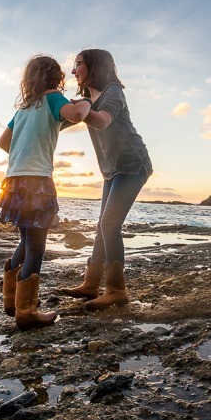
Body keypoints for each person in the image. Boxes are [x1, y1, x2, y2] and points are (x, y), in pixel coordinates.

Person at [0, 55, 91, 330]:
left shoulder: (24, 109)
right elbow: (76, 115)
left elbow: (4, 142)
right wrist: (86, 102)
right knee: (37, 248)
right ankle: (26, 312)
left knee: (25, 242)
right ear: (55, 77)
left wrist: (25, 149)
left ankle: (11, 301)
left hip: (15, 180)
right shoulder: (54, 99)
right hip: (37, 181)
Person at [59, 49, 153, 309]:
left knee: (110, 225)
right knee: (103, 224)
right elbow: (63, 122)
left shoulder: (113, 91)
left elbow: (101, 121)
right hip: (111, 169)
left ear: (95, 66)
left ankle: (116, 290)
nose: (73, 70)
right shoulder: (86, 99)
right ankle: (91, 284)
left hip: (133, 165)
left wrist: (81, 111)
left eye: (78, 64)